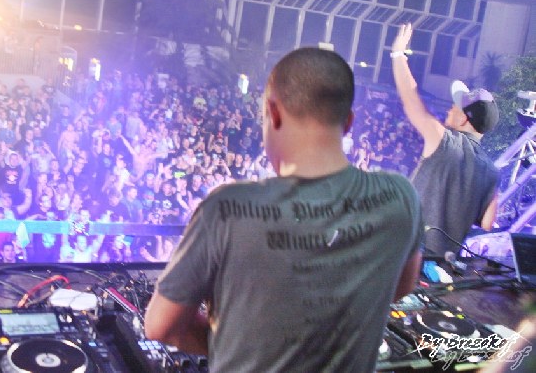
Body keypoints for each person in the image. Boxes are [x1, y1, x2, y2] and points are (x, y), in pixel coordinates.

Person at [145, 48, 423, 372]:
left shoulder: (226, 209)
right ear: (348, 122)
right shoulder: (401, 197)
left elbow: (162, 326)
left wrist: (240, 344)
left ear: (273, 113)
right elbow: (401, 286)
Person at [390, 23, 499, 256]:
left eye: (455, 106)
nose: (450, 108)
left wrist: (398, 54)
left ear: (464, 119)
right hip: (442, 268)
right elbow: (488, 224)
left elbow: (411, 99)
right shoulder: (492, 171)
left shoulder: (444, 141)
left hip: (404, 256)